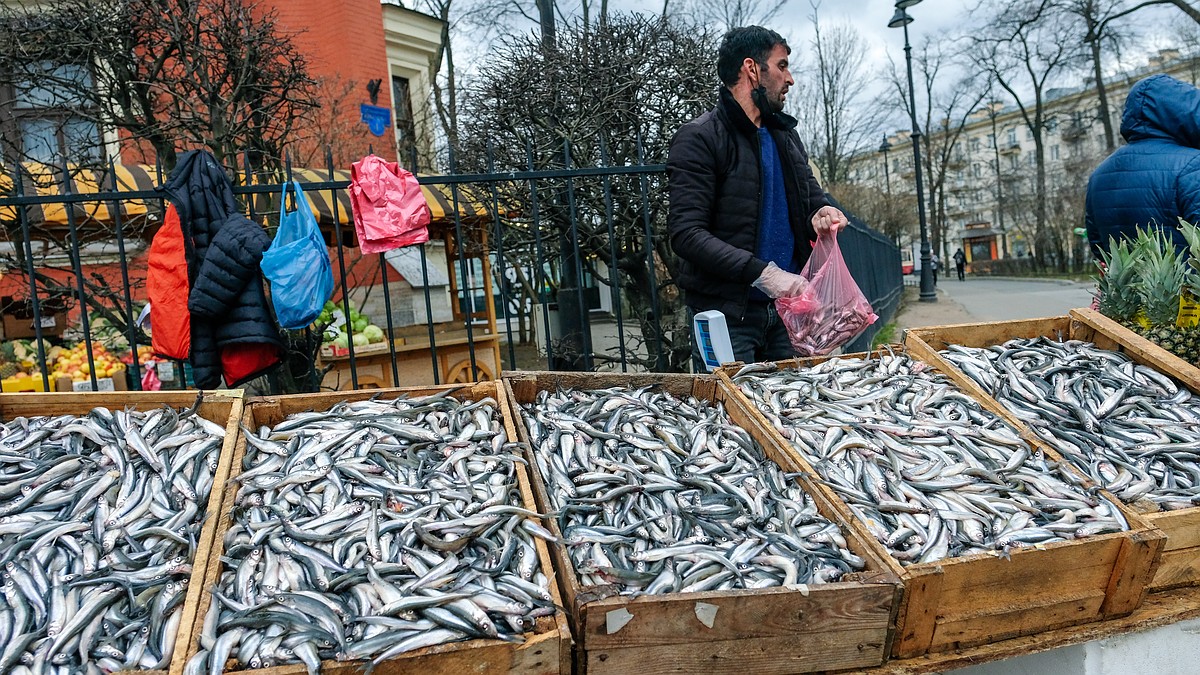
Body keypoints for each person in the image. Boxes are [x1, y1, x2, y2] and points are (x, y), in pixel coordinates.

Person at [668, 26, 846, 370]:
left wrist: (823, 213)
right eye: (782, 66)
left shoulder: (785, 135)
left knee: (796, 414)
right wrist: (764, 274)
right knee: (734, 417)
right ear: (752, 69)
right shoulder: (700, 138)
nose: (790, 78)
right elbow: (687, 235)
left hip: (789, 314)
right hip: (727, 317)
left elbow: (811, 199)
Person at [1085, 74, 1200, 257]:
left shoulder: (1098, 175)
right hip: (1185, 285)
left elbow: (1099, 247)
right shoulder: (1193, 165)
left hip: (1125, 285)